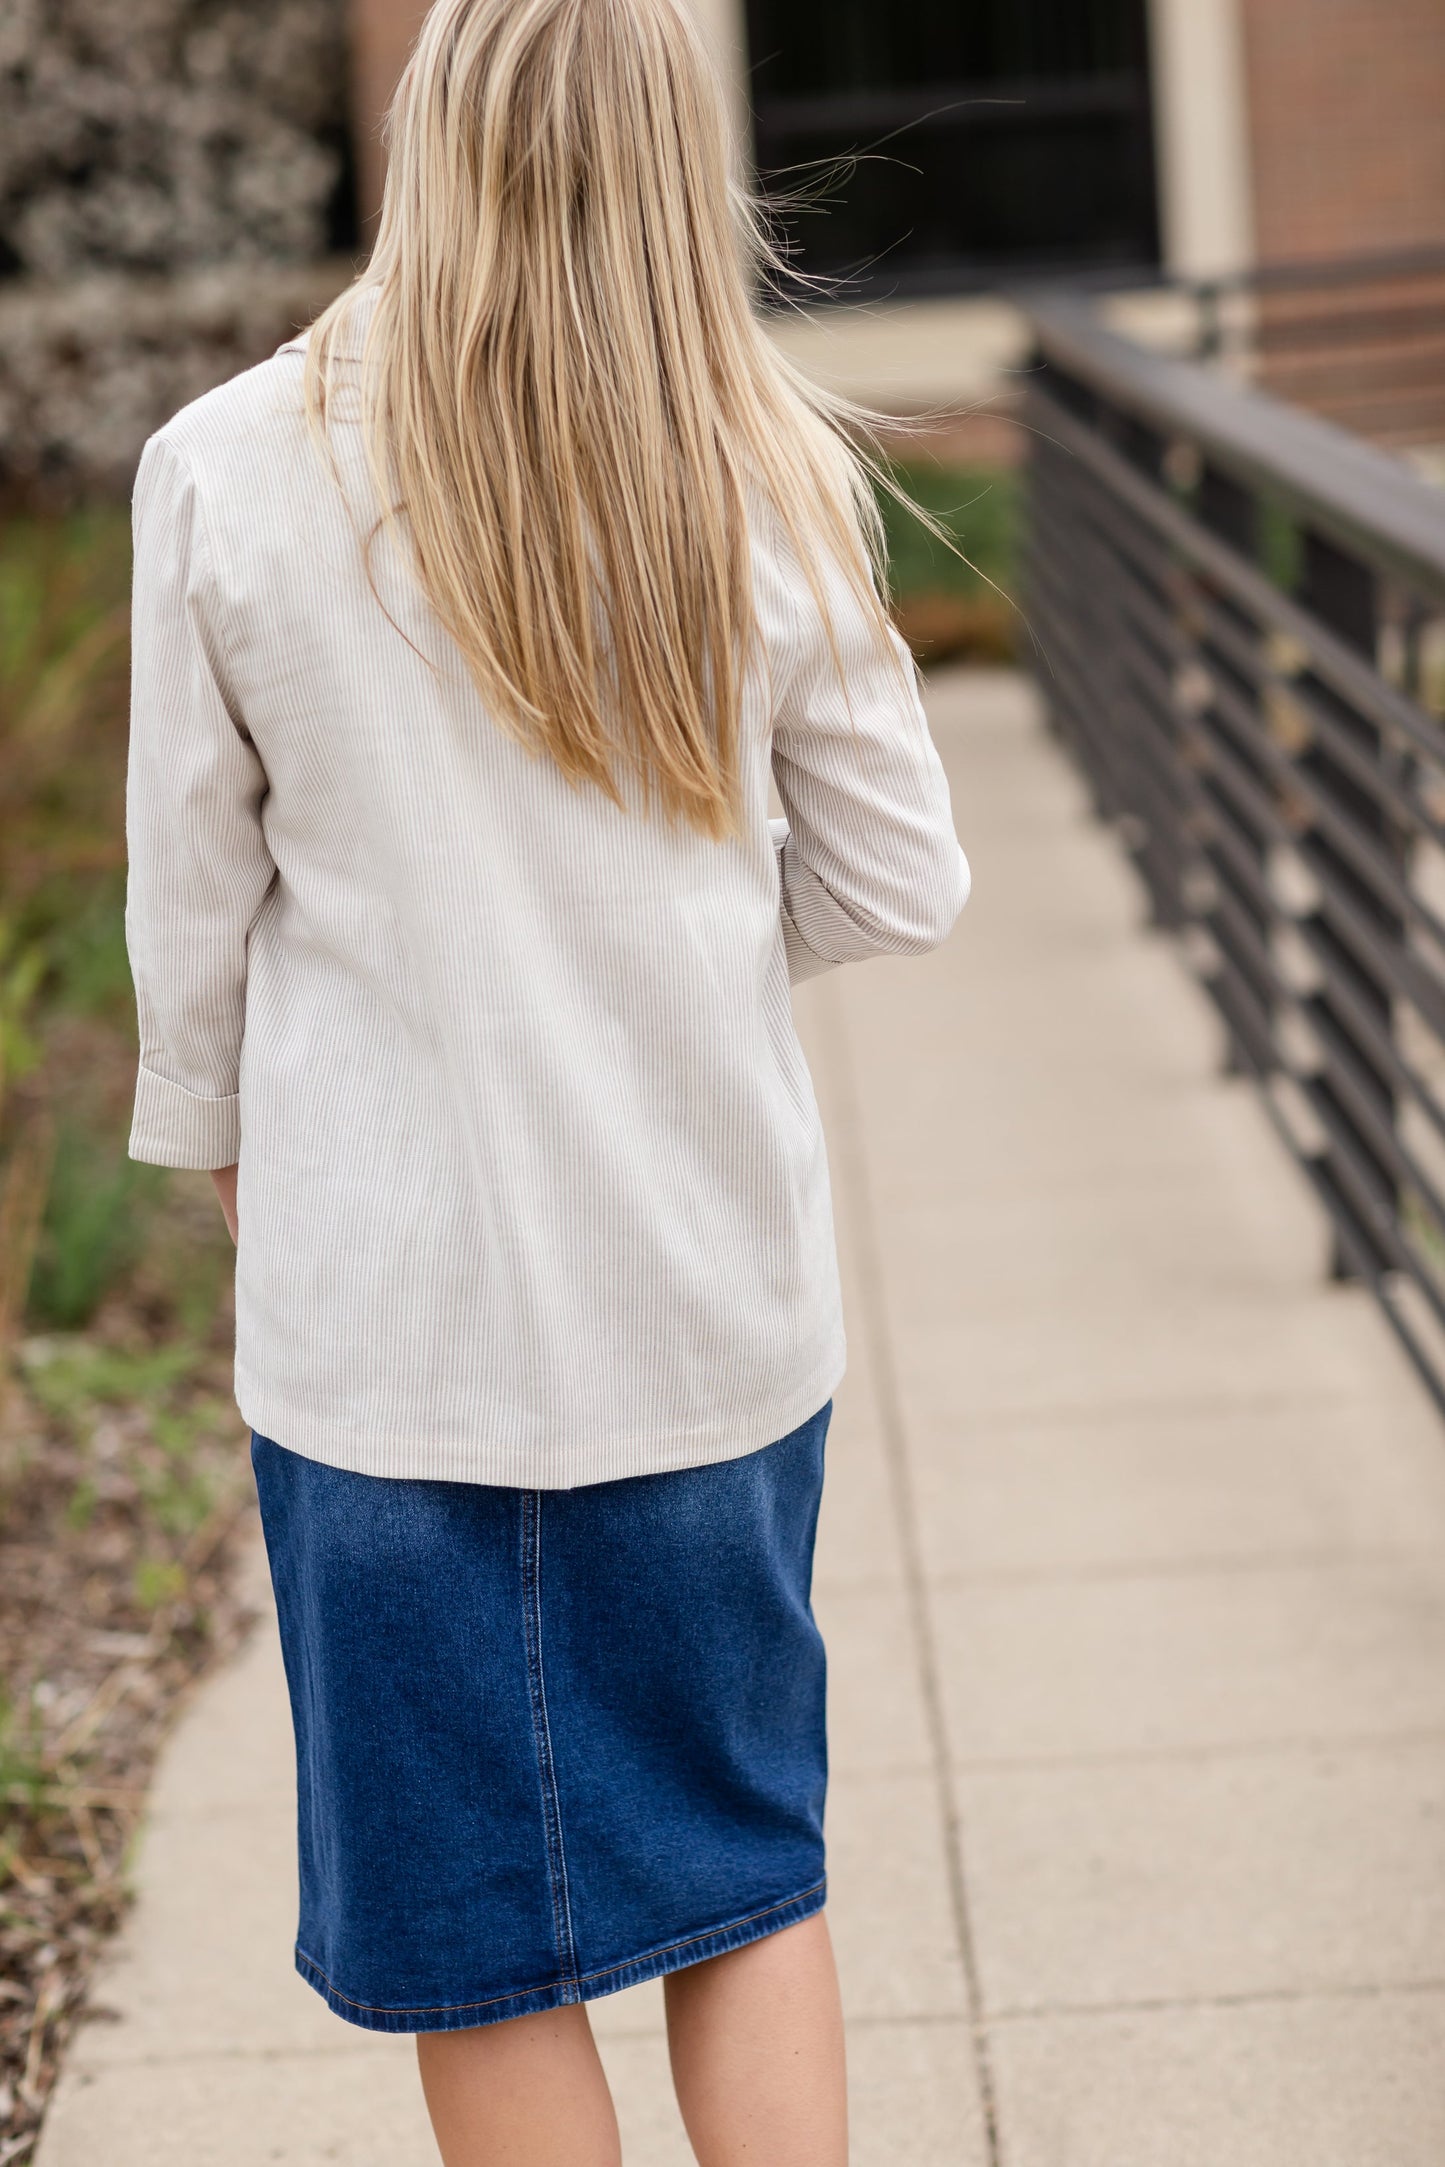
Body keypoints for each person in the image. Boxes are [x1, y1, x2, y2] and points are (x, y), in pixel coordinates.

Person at [123, 0, 968, 2158]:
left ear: (429, 139)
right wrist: (655, 976)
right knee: (743, 1874)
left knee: (481, 1943)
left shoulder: (224, 467)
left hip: (383, 1344)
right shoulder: (765, 463)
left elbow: (190, 940)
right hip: (708, 1310)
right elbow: (900, 872)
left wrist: (261, 1166)